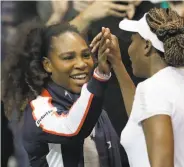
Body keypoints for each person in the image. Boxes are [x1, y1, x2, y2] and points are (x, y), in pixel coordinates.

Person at [91, 8, 184, 167]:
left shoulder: (153, 90)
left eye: (133, 41)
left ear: (147, 45)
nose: (130, 49)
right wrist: (117, 64)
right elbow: (139, 114)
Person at [1, 20, 117, 167]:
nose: (81, 64)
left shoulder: (91, 103)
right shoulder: (39, 108)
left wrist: (115, 62)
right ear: (47, 65)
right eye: (68, 57)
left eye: (86, 55)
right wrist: (100, 76)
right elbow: (73, 129)